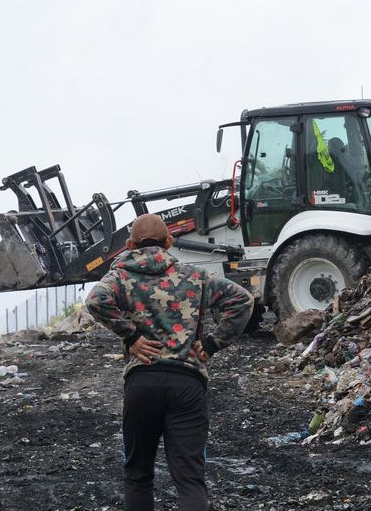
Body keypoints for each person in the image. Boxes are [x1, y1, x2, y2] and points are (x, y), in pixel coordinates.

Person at [86, 213, 255, 511]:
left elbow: (96, 300)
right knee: (190, 479)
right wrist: (214, 343)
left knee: (138, 475)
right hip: (187, 385)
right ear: (170, 241)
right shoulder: (195, 277)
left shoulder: (120, 276)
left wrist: (132, 336)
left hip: (142, 383)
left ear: (129, 245)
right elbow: (242, 300)